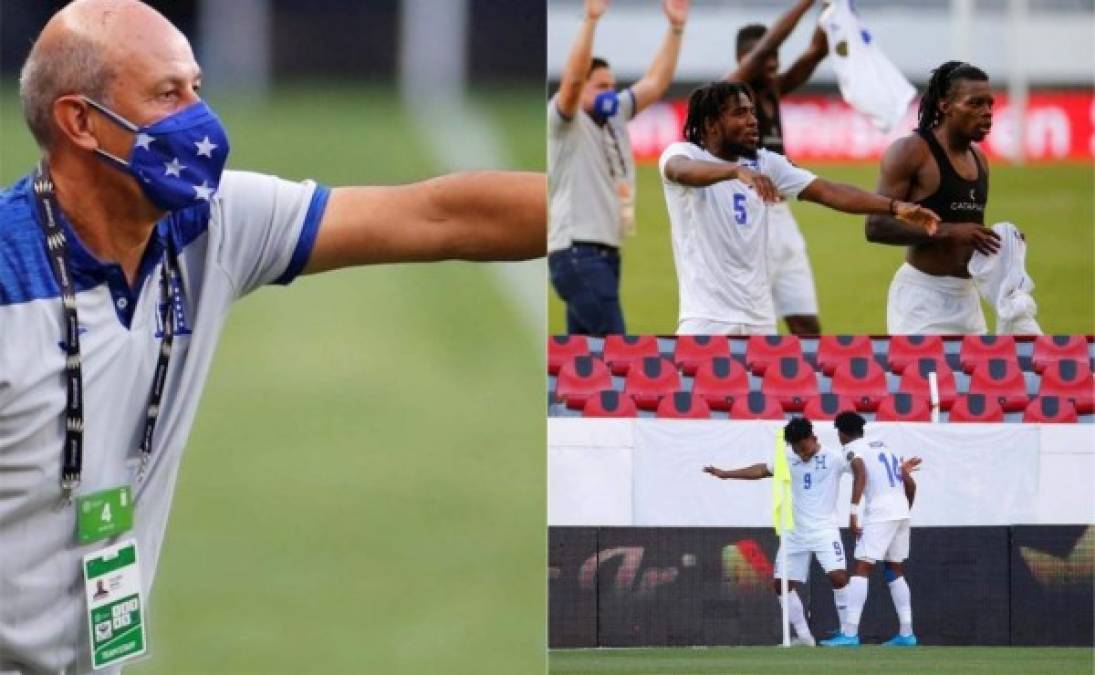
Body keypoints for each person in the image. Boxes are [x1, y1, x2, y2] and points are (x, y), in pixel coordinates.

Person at [0, 1, 544, 672]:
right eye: (168, 94)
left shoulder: (212, 224)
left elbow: (436, 217)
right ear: (79, 121)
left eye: (196, 87)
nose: (200, 121)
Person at [659, 81, 939, 335]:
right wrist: (735, 171)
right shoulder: (684, 154)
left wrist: (895, 207)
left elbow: (829, 191)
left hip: (760, 323)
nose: (753, 121)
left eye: (752, 112)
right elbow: (680, 171)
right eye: (740, 113)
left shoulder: (766, 162)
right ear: (711, 124)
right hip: (706, 322)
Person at [548, 0, 689, 335]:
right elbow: (570, 82)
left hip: (605, 254)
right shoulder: (564, 121)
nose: (609, 94)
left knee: (584, 361)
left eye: (612, 86)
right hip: (578, 254)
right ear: (580, 87)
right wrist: (591, 21)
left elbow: (656, 82)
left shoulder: (614, 116)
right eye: (600, 86)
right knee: (618, 350)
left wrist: (676, 28)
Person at [866, 61, 1000, 334]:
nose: (987, 113)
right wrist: (948, 232)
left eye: (990, 104)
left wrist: (1000, 243)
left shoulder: (980, 159)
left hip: (967, 298)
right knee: (928, 378)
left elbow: (967, 235)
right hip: (922, 299)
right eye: (975, 104)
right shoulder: (911, 152)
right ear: (945, 106)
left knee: (977, 378)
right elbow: (875, 227)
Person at [703, 417, 855, 647]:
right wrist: (726, 474)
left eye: (804, 448)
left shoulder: (834, 458)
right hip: (794, 530)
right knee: (781, 585)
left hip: (824, 530)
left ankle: (848, 633)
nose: (801, 454)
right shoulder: (788, 458)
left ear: (814, 439)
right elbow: (762, 470)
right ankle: (805, 638)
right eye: (796, 449)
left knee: (838, 577)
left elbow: (861, 468)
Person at [725, 0, 829, 336]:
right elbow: (771, 43)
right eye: (765, 57)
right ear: (745, 61)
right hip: (747, 219)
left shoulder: (773, 90)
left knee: (806, 325)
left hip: (782, 218)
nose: (774, 63)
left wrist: (831, 12)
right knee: (751, 329)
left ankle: (812, 386)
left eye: (775, 58)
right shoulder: (731, 94)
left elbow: (815, 52)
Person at [821, 412, 921, 647]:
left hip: (880, 514)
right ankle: (907, 634)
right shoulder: (885, 448)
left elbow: (860, 472)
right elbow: (910, 483)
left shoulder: (851, 449)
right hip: (901, 512)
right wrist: (903, 508)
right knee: (894, 570)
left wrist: (853, 512)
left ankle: (849, 634)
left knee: (861, 569)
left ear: (842, 433)